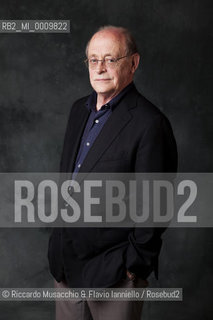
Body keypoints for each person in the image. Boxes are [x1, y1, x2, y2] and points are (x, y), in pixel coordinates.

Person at [48, 25, 178, 320]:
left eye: (110, 59)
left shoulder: (149, 123)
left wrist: (133, 267)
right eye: (93, 59)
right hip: (67, 269)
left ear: (133, 63)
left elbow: (157, 205)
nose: (100, 68)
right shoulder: (78, 111)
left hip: (115, 275)